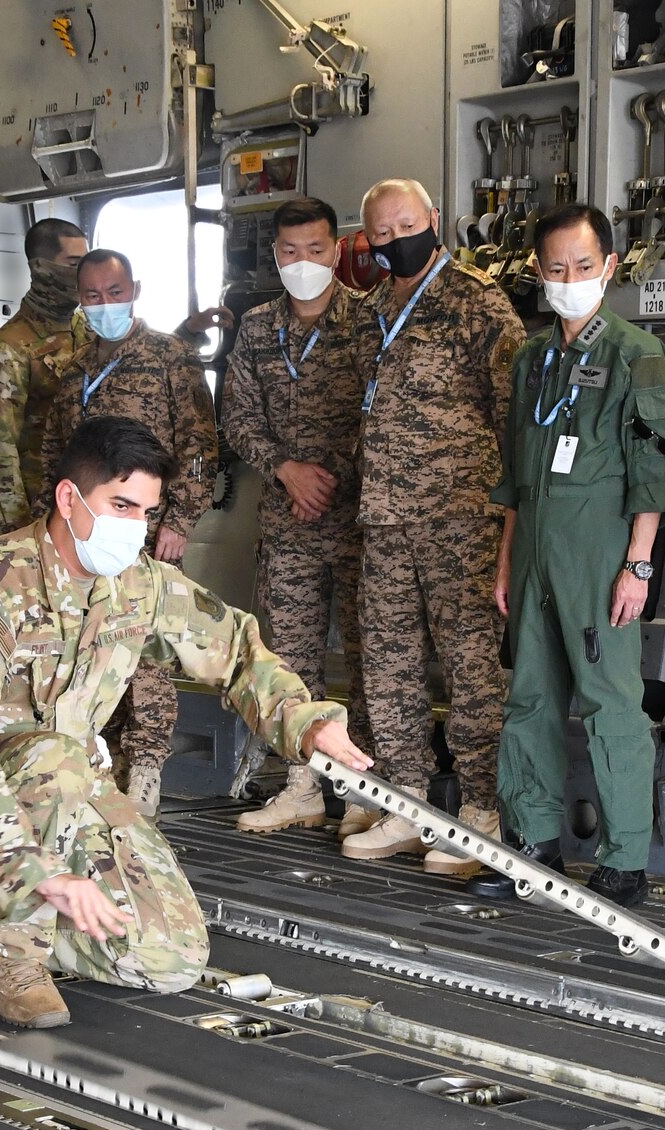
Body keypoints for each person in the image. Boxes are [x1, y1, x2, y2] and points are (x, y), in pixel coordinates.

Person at [0, 415, 373, 1028]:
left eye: (146, 512)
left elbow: (232, 646)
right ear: (70, 499)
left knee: (170, 960)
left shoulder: (135, 584)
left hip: (65, 793)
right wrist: (28, 871)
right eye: (120, 506)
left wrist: (303, 722)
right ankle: (10, 956)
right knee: (54, 757)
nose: (135, 528)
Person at [471, 203, 665, 908]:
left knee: (609, 701)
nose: (569, 279)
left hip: (601, 555)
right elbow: (515, 475)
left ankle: (624, 860)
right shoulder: (532, 358)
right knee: (528, 697)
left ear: (610, 267)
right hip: (532, 551)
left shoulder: (635, 355)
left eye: (583, 267)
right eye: (556, 269)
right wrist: (506, 561)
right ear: (537, 272)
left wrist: (639, 564)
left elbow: (655, 475)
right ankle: (532, 843)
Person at [343, 177, 523, 877]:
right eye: (380, 235)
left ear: (434, 221)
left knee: (472, 667)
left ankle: (482, 812)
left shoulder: (479, 303)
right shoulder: (368, 313)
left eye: (404, 226)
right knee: (388, 666)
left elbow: (511, 416)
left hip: (461, 520)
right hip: (385, 519)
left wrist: (509, 516)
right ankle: (406, 801)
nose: (394, 242)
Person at [39, 248, 221, 815]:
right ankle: (97, 766)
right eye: (92, 297)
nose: (104, 306)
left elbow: (199, 445)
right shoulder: (71, 369)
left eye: (114, 294)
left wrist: (181, 521)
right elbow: (54, 453)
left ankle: (144, 770)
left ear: (134, 289)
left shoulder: (171, 358)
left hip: (148, 533)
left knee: (145, 654)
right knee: (86, 646)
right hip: (84, 535)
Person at [221, 196, 380, 836]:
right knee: (289, 657)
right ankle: (302, 786)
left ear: (337, 250)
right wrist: (287, 470)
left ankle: (366, 789)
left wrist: (329, 477)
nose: (303, 263)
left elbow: (384, 416)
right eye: (290, 253)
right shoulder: (258, 328)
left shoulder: (370, 324)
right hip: (287, 521)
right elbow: (236, 416)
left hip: (358, 520)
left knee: (374, 656)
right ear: (275, 256)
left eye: (316, 250)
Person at [0, 218, 89, 530]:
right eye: (73, 263)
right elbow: (1, 452)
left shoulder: (87, 328)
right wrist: (18, 531)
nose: (82, 273)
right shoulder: (9, 348)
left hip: (89, 502)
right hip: (40, 508)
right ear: (41, 268)